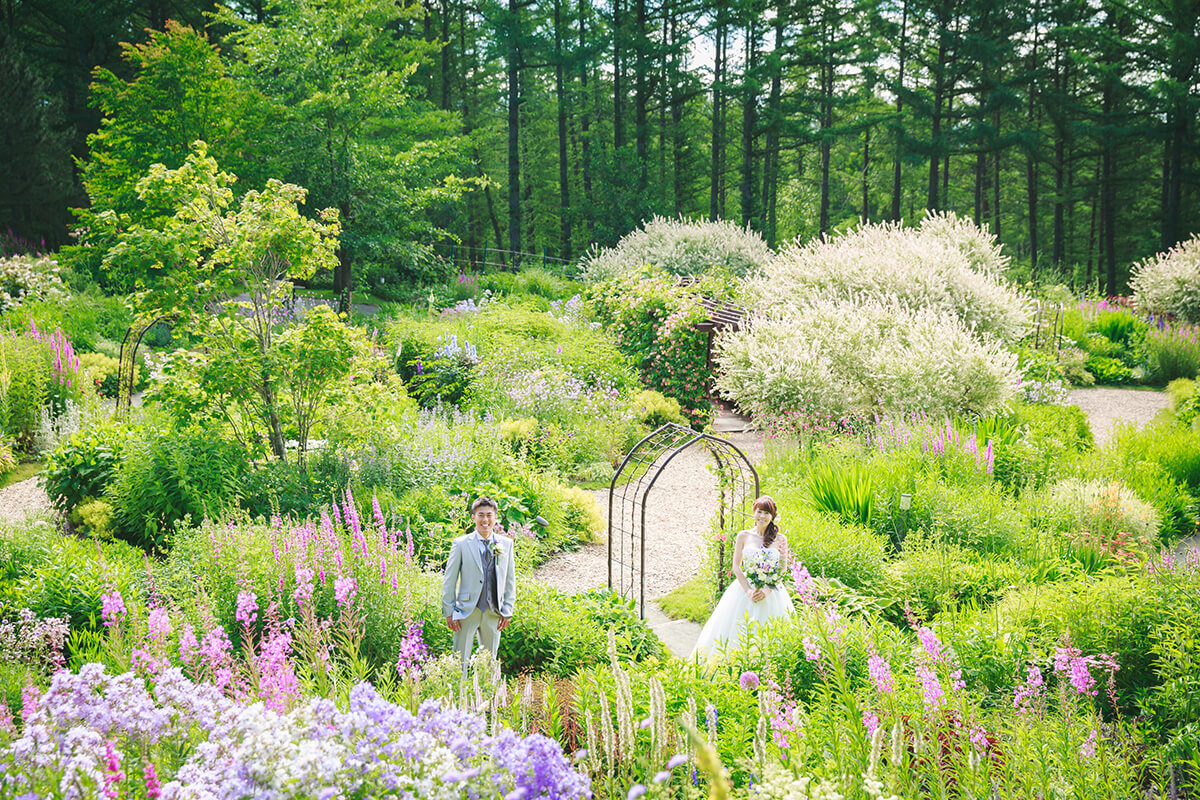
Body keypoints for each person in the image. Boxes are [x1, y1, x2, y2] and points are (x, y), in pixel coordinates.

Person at [690, 495, 795, 661]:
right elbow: (736, 566)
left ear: (772, 516)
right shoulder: (743, 536)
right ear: (754, 512)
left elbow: (782, 569)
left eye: (767, 513)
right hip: (745, 589)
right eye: (760, 512)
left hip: (771, 591)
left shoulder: (780, 539)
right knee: (736, 630)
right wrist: (747, 590)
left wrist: (768, 590)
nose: (762, 516)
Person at [442, 496, 516, 676]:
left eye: (489, 515)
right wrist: (449, 611)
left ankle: (487, 701)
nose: (485, 520)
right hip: (467, 611)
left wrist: (507, 610)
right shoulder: (460, 544)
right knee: (460, 662)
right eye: (480, 515)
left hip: (493, 611)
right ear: (473, 517)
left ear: (495, 517)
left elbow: (510, 580)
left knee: (489, 664)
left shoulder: (506, 544)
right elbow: (449, 580)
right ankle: (458, 700)